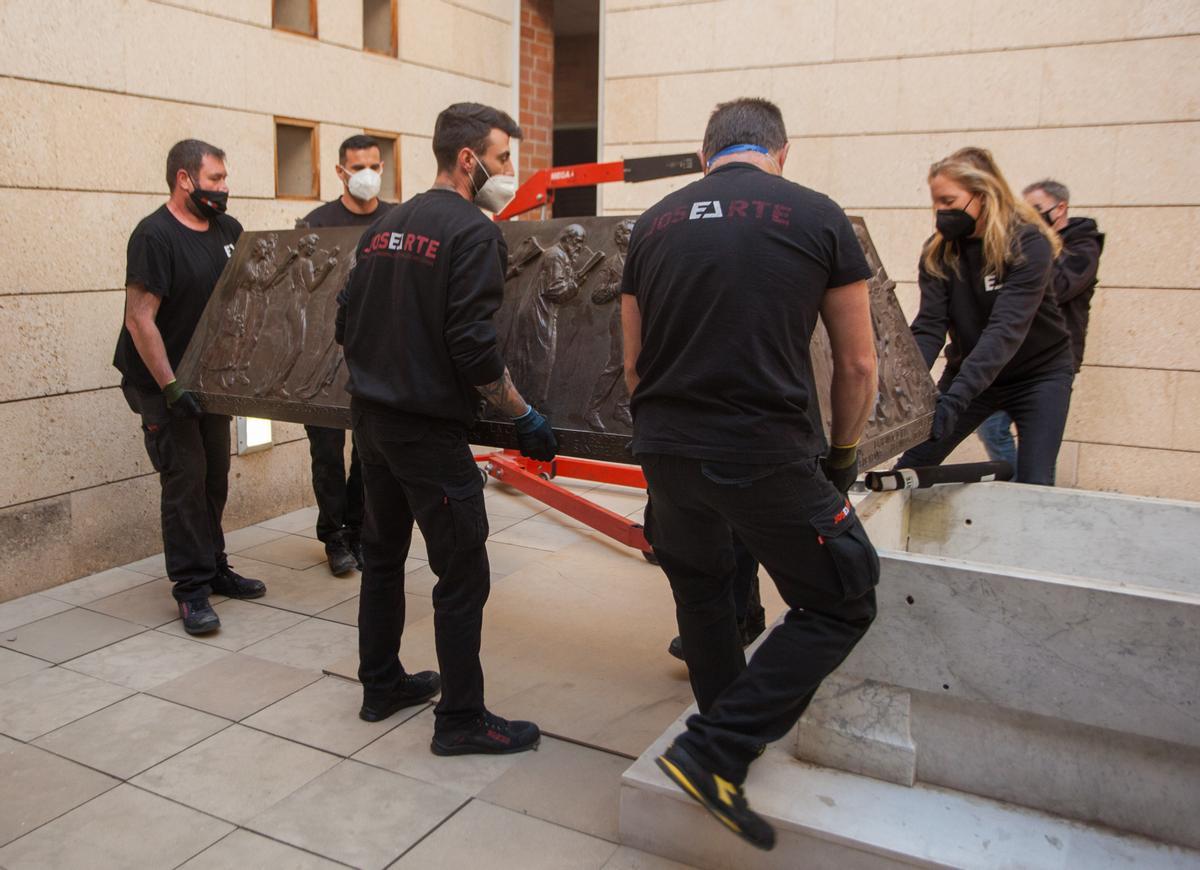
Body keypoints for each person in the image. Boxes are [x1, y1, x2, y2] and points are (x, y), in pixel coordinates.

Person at [622, 98, 880, 851]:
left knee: (703, 595)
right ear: (781, 151)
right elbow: (858, 365)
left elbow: (634, 366)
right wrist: (842, 456)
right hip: (763, 448)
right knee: (843, 596)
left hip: (666, 448)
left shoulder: (652, 224)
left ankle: (719, 743)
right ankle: (715, 749)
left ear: (706, 154)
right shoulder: (818, 215)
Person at [337, 102, 557, 754]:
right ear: (468, 159)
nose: (509, 170)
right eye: (503, 157)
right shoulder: (473, 233)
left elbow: (344, 323)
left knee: (382, 558)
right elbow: (474, 348)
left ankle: (380, 685)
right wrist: (523, 415)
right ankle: (460, 719)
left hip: (372, 422)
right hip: (427, 433)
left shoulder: (383, 227)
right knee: (462, 573)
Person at [113, 139, 266, 636]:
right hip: (163, 382)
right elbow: (139, 320)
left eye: (224, 178)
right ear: (185, 179)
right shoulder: (154, 236)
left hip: (209, 379)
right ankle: (191, 590)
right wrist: (171, 386)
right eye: (215, 178)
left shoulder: (228, 230)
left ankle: (214, 565)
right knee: (184, 483)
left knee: (214, 478)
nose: (224, 187)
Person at [896, 148, 1075, 486]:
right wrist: (900, 387)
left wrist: (955, 399)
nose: (941, 211)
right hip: (971, 371)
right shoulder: (938, 252)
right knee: (912, 466)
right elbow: (929, 327)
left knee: (1034, 482)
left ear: (982, 195)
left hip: (1038, 376)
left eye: (949, 201)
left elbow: (1004, 331)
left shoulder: (1026, 244)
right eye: (936, 202)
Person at [298, 135, 396, 575]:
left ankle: (359, 530)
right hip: (324, 351)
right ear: (341, 172)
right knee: (326, 450)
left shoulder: (396, 219)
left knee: (369, 452)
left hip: (375, 356)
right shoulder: (317, 223)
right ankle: (334, 536)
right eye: (358, 168)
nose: (368, 175)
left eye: (375, 165)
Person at [977, 179, 1104, 470]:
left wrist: (1033, 260)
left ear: (1060, 208)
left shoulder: (1082, 246)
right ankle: (1017, 483)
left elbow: (1059, 287)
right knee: (991, 427)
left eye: (1037, 208)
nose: (1029, 216)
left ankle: (1030, 486)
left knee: (1038, 446)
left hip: (1052, 362)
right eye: (1025, 210)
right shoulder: (1027, 245)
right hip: (1014, 356)